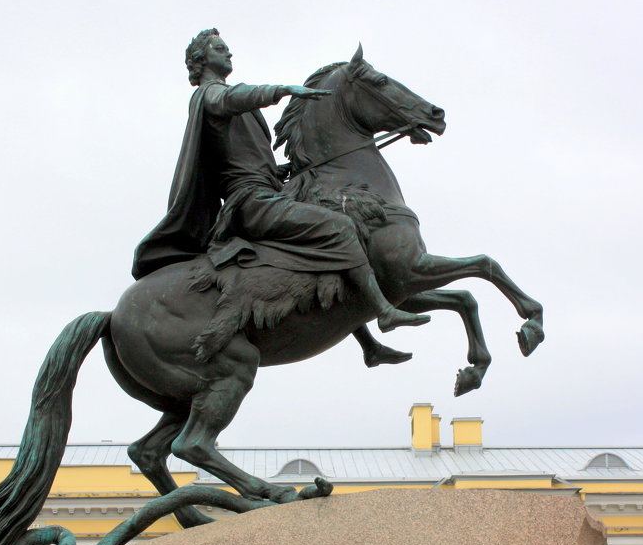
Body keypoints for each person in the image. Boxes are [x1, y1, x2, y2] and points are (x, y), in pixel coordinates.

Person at [132, 28, 428, 335]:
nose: (229, 53)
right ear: (201, 60)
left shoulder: (227, 99)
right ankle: (383, 312)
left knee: (323, 239)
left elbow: (245, 159)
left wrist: (282, 171)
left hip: (265, 193)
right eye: (220, 49)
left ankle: (368, 345)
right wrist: (280, 90)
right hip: (252, 203)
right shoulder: (210, 94)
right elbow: (229, 99)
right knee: (339, 227)